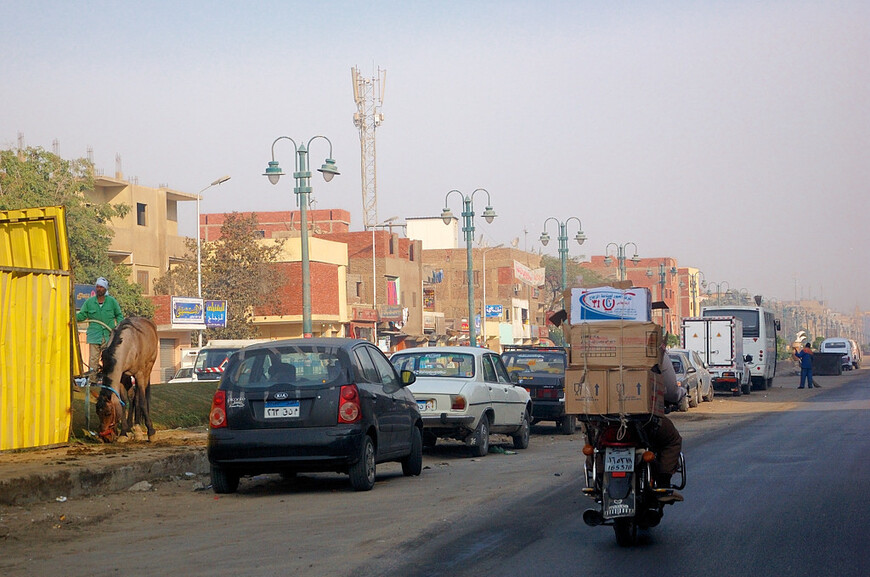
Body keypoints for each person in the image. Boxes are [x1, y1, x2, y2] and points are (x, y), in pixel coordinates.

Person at [647, 339, 684, 503]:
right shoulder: (654, 349)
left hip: (601, 419)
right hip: (645, 419)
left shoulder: (592, 347)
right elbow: (671, 391)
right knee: (673, 440)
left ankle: (596, 478)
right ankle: (663, 484)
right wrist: (680, 394)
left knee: (594, 439)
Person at [76, 277, 124, 385]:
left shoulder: (112, 302)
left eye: (101, 287)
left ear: (105, 289)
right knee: (93, 359)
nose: (99, 289)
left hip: (109, 335)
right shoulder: (89, 302)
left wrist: (118, 329)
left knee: (109, 358)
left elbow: (119, 316)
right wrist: (72, 316)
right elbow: (82, 315)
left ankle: (109, 380)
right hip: (94, 335)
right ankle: (93, 381)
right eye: (97, 286)